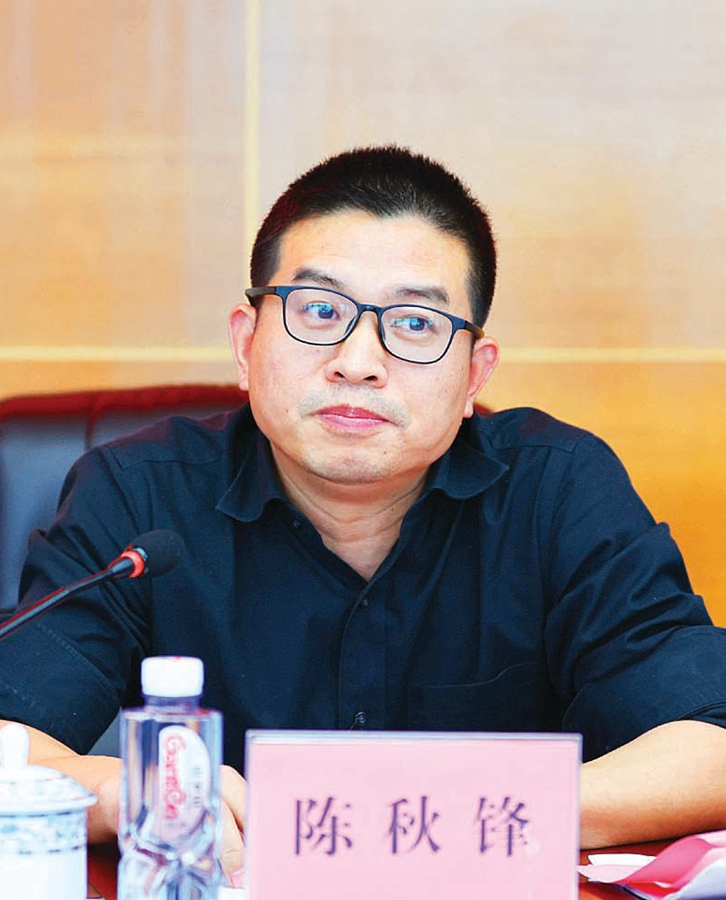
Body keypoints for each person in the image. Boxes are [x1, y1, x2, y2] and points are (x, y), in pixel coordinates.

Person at [1, 145, 726, 883]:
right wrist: (121, 791)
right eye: (320, 311)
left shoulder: (557, 491)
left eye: (415, 324)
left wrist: (445, 816)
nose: (358, 361)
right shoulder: (137, 495)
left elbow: (711, 742)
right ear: (246, 345)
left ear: (473, 376)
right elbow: (9, 741)